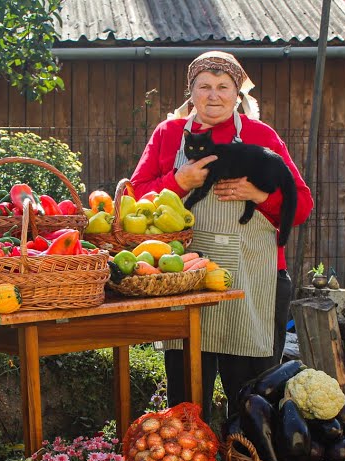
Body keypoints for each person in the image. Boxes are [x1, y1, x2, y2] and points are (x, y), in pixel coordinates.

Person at [128, 50, 314, 426]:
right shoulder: (168, 136)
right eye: (204, 87)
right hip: (185, 279)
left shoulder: (262, 136)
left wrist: (259, 196)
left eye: (223, 87)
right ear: (190, 92)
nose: (214, 96)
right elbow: (133, 200)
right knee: (186, 400)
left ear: (237, 93)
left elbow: (304, 205)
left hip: (254, 282)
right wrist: (178, 182)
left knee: (252, 400)